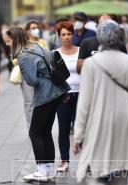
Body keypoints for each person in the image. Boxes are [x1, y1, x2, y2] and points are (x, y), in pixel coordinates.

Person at [73, 20, 128, 185]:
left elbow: (84, 103)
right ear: (120, 37)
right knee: (120, 172)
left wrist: (78, 135)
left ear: (99, 38)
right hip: (127, 121)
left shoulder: (91, 64)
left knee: (97, 170)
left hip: (100, 120)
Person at [5, 27, 70, 182]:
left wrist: (24, 69)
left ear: (16, 40)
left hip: (46, 95)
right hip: (57, 91)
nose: (7, 44)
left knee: (35, 132)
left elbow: (31, 81)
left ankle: (41, 170)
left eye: (9, 41)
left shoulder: (23, 56)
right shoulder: (35, 46)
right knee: (45, 131)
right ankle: (49, 170)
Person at [54, 21, 80, 172]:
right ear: (59, 36)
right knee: (63, 129)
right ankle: (64, 160)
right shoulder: (55, 53)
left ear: (73, 35)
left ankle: (87, 161)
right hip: (64, 95)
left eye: (69, 34)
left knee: (82, 128)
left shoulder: (81, 51)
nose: (66, 37)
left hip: (82, 93)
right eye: (63, 34)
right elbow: (54, 77)